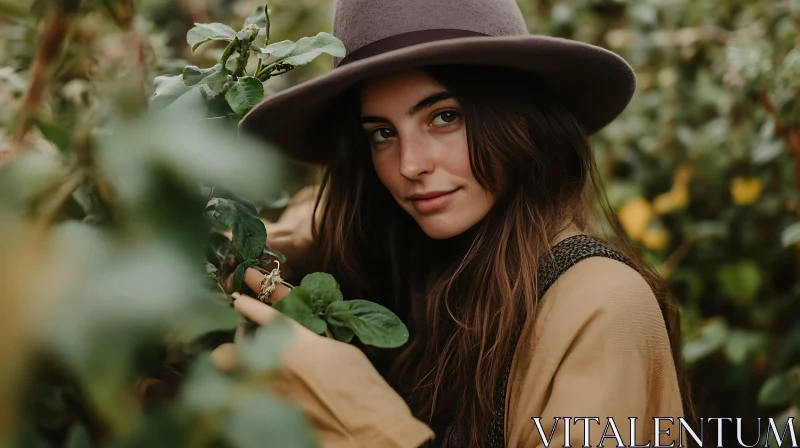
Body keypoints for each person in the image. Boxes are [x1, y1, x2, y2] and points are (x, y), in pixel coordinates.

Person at [212, 0, 693, 447]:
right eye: (382, 133)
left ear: (518, 120)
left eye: (445, 117)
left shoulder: (602, 306)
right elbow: (306, 224)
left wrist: (366, 420)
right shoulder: (414, 262)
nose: (409, 166)